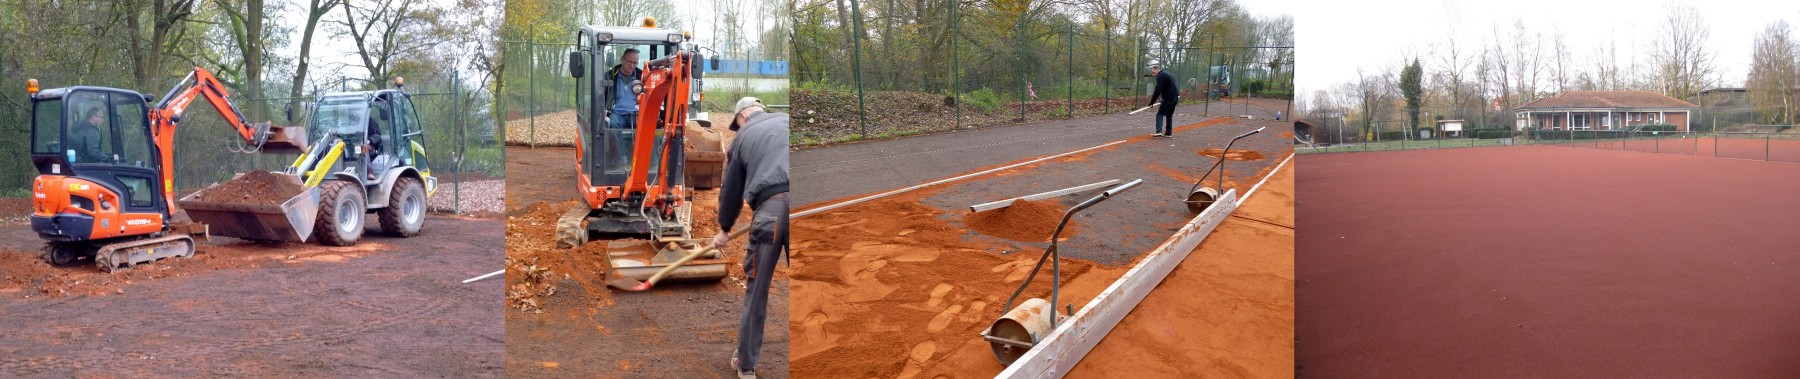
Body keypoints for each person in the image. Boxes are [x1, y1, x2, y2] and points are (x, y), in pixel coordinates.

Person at [715, 96, 789, 379]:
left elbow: (731, 189)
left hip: (769, 212)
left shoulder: (743, 137)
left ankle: (745, 365)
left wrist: (724, 228)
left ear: (743, 116)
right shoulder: (786, 121)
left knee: (757, 291)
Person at [608, 48, 642, 130]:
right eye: (629, 62)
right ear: (622, 59)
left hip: (635, 113)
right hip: (617, 113)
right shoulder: (610, 76)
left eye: (635, 63)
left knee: (646, 124)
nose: (632, 65)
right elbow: (602, 95)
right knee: (613, 124)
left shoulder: (641, 77)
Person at [1149, 64, 1180, 138]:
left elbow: (1158, 90)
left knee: (1160, 114)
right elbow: (1169, 87)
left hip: (1169, 98)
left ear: (1157, 69)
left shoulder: (1160, 76)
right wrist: (1163, 97)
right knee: (1169, 114)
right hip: (1175, 97)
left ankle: (1158, 131)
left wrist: (1152, 102)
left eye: (1153, 72)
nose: (1153, 74)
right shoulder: (1168, 74)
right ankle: (1168, 133)